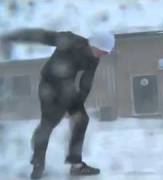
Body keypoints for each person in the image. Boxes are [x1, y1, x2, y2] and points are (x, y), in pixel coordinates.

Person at [1, 28, 115, 179]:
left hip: (68, 89)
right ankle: (38, 165)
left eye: (106, 53)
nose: (103, 55)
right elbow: (40, 36)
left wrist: (78, 106)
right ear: (94, 44)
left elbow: (86, 82)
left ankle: (76, 165)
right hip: (49, 86)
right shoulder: (70, 40)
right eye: (102, 51)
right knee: (48, 124)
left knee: (82, 119)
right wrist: (12, 37)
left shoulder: (94, 58)